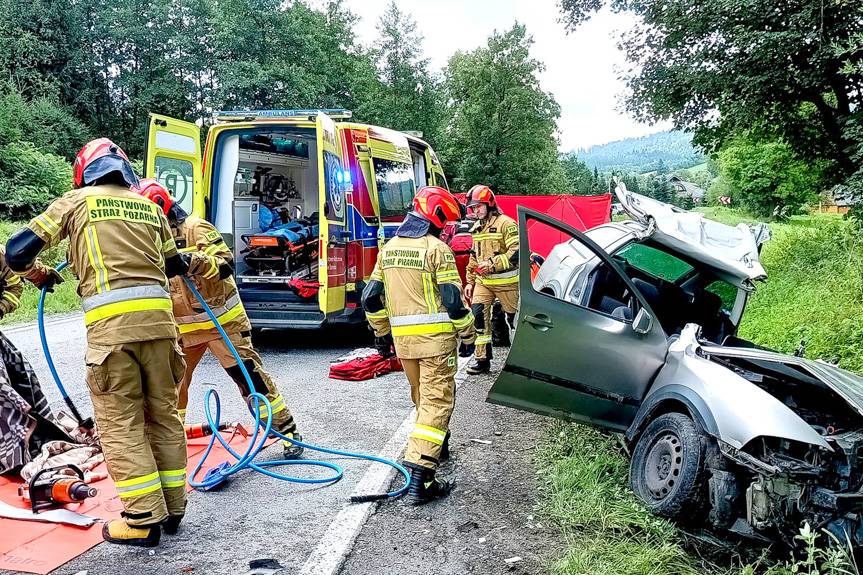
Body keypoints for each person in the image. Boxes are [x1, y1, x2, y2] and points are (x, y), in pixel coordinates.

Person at [5, 138, 189, 547]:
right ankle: (174, 508)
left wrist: (39, 270)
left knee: (121, 422)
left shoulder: (76, 201)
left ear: (84, 171)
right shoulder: (149, 208)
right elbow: (175, 265)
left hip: (113, 336)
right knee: (164, 416)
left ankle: (142, 519)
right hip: (162, 331)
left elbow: (16, 252)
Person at [136, 179, 304, 459]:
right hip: (183, 329)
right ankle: (170, 443)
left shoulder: (195, 228)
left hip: (221, 324)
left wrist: (189, 261)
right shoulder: (147, 238)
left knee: (250, 380)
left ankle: (286, 432)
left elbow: (224, 264)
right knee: (171, 387)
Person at [361, 186, 476, 505]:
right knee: (437, 403)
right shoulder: (437, 250)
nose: (445, 230)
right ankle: (421, 479)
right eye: (444, 224)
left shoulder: (389, 249)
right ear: (436, 218)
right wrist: (468, 335)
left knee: (423, 400)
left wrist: (382, 333)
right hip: (436, 344)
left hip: (405, 345)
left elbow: (370, 298)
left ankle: (439, 446)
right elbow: (453, 302)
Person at [464, 185, 519, 375]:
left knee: (515, 320)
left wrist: (493, 264)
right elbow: (474, 256)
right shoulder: (477, 227)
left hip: (507, 282)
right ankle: (482, 360)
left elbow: (516, 252)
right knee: (478, 316)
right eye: (472, 208)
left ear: (489, 204)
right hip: (484, 282)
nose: (475, 210)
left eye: (478, 206)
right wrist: (470, 281)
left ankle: (521, 361)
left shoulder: (507, 224)